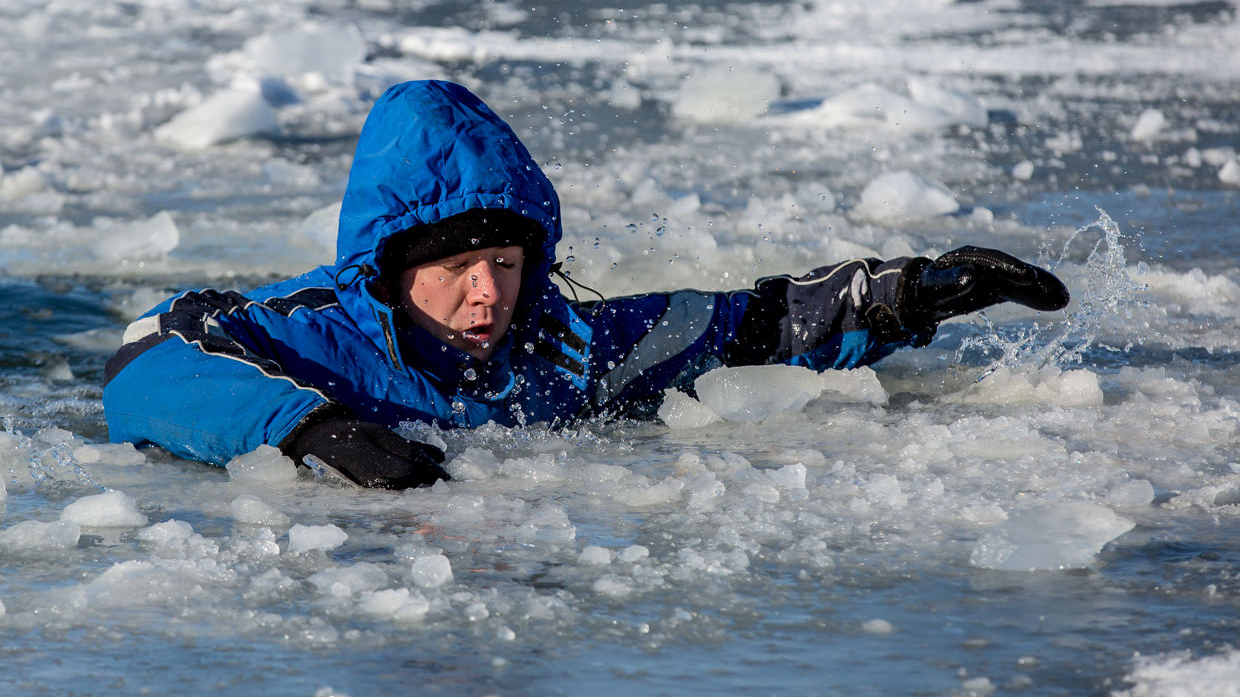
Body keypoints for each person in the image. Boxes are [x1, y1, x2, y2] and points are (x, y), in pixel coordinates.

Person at [102, 80, 1070, 489]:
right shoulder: (305, 331)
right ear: (391, 271)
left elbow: (752, 324)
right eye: (453, 270)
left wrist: (906, 292)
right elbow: (144, 362)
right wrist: (312, 429)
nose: (488, 295)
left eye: (508, 266)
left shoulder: (567, 341)